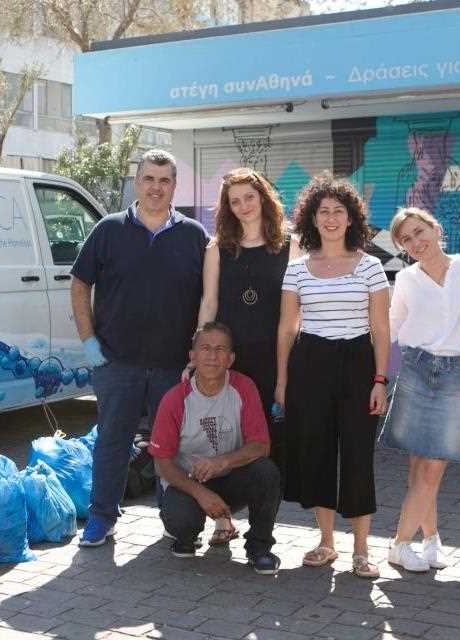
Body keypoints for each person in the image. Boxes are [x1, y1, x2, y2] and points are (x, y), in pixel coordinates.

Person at [71, 149, 209, 547]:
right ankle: (101, 517)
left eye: (164, 180)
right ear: (137, 182)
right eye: (149, 179)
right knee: (112, 442)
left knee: (173, 445)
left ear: (174, 187)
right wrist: (88, 341)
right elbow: (80, 284)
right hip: (116, 362)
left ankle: (174, 517)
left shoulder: (193, 235)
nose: (156, 187)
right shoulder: (109, 230)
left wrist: (197, 353)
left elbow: (207, 298)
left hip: (172, 366)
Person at [274, 173, 390, 579]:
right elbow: (287, 329)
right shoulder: (298, 269)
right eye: (323, 211)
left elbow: (381, 330)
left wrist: (380, 380)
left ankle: (362, 549)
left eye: (338, 211)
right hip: (310, 364)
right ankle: (326, 542)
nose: (331, 218)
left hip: (358, 363)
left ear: (351, 218)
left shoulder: (371, 266)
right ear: (311, 218)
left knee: (359, 454)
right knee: (317, 452)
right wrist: (283, 381)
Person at [378, 207, 460, 573]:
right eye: (406, 240)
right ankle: (428, 541)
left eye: (418, 232)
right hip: (416, 369)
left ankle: (401, 544)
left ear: (435, 228)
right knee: (418, 468)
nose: (415, 243)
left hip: (458, 372)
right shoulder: (408, 279)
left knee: (432, 467)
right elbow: (390, 328)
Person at [193, 167, 301, 545]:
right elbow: (209, 303)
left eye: (249, 198)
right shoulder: (218, 246)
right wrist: (197, 355)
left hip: (275, 361)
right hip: (228, 361)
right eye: (234, 201)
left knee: (267, 446)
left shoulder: (291, 244)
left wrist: (290, 372)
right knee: (223, 439)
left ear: (263, 197)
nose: (243, 206)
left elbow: (296, 312)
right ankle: (223, 520)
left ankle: (262, 532)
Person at [150, 321, 282, 574]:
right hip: (188, 484)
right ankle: (187, 536)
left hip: (232, 478)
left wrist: (221, 462)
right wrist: (200, 493)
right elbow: (162, 463)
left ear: (231, 358)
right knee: (181, 520)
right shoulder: (175, 399)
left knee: (267, 472)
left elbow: (261, 446)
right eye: (205, 348)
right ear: (192, 356)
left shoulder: (244, 387)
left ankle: (260, 548)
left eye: (220, 349)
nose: (212, 356)